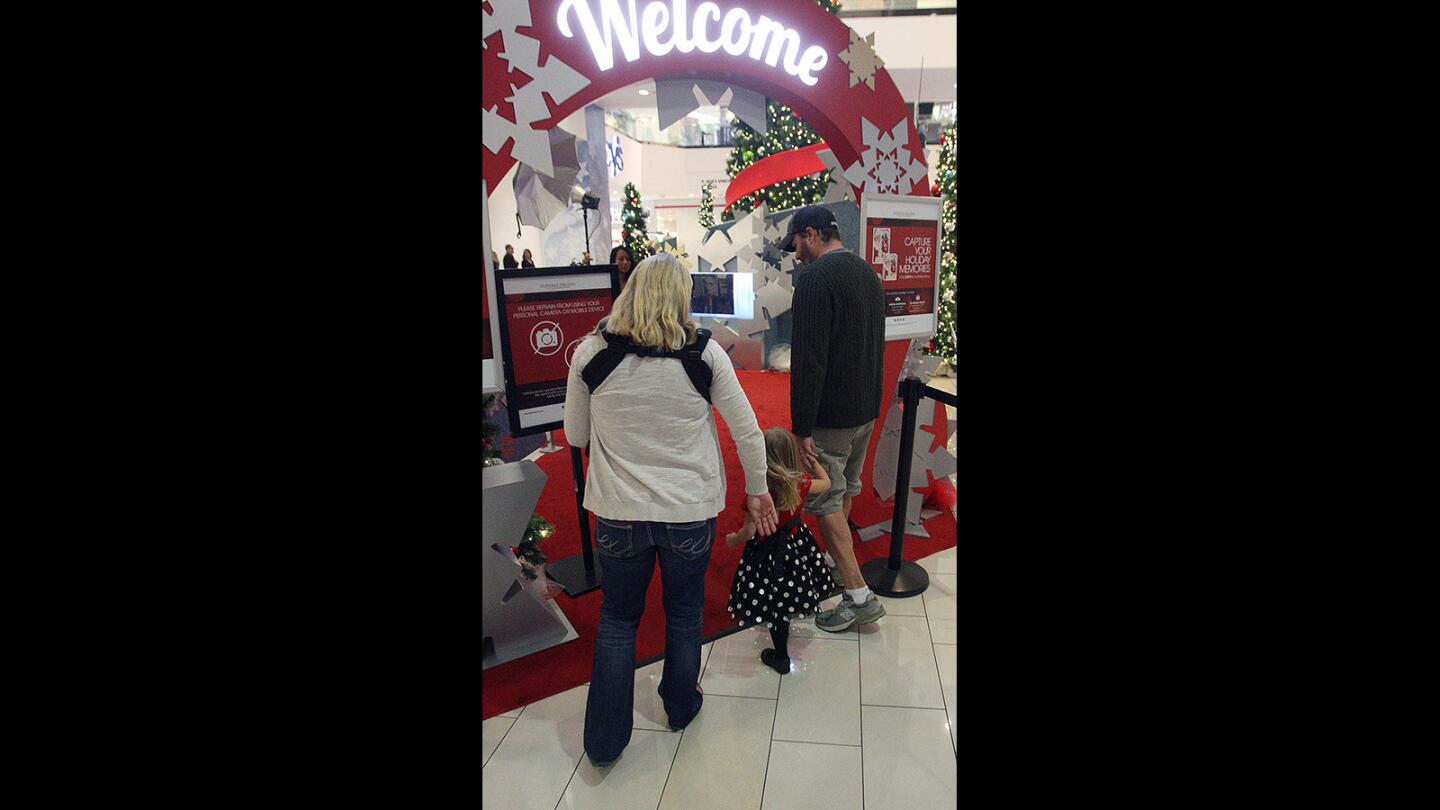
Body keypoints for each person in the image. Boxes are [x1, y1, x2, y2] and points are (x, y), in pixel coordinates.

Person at [564, 252, 778, 768]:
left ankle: (604, 741)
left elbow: (574, 435)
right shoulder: (704, 354)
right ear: (681, 297)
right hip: (688, 508)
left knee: (618, 618)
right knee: (684, 612)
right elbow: (747, 430)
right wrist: (758, 490)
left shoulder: (590, 352)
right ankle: (680, 708)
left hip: (618, 511)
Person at [780, 205, 888, 633]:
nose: (796, 254)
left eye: (796, 244)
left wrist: (801, 427)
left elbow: (809, 360)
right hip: (864, 408)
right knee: (846, 488)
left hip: (830, 414)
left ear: (810, 234)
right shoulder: (867, 272)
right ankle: (837, 566)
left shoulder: (814, 280)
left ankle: (859, 595)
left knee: (824, 498)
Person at [724, 428, 838, 674]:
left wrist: (733, 540)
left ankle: (781, 657)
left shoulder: (760, 492)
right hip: (796, 548)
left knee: (771, 599)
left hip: (767, 550)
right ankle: (787, 624)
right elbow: (827, 483)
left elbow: (748, 530)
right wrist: (813, 462)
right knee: (790, 591)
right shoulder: (801, 483)